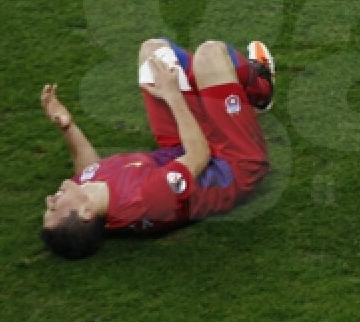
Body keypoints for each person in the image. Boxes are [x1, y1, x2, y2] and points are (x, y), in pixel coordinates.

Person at [39, 38, 276, 259]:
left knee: (152, 53)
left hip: (180, 148)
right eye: (54, 208)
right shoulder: (147, 200)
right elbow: (199, 155)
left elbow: (91, 169)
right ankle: (260, 91)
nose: (50, 199)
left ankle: (227, 99)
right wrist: (172, 95)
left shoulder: (93, 195)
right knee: (210, 55)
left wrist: (68, 127)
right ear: (86, 212)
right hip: (234, 164)